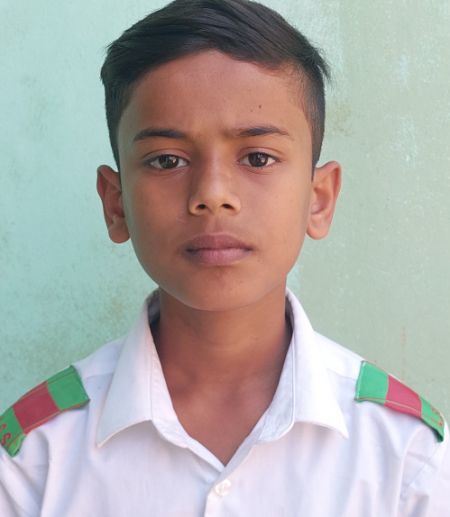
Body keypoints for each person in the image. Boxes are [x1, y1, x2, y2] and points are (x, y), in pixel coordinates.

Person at [1, 0, 449, 515]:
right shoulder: (35, 460)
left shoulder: (406, 459)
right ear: (115, 203)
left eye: (258, 158)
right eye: (166, 160)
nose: (212, 195)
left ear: (319, 199)